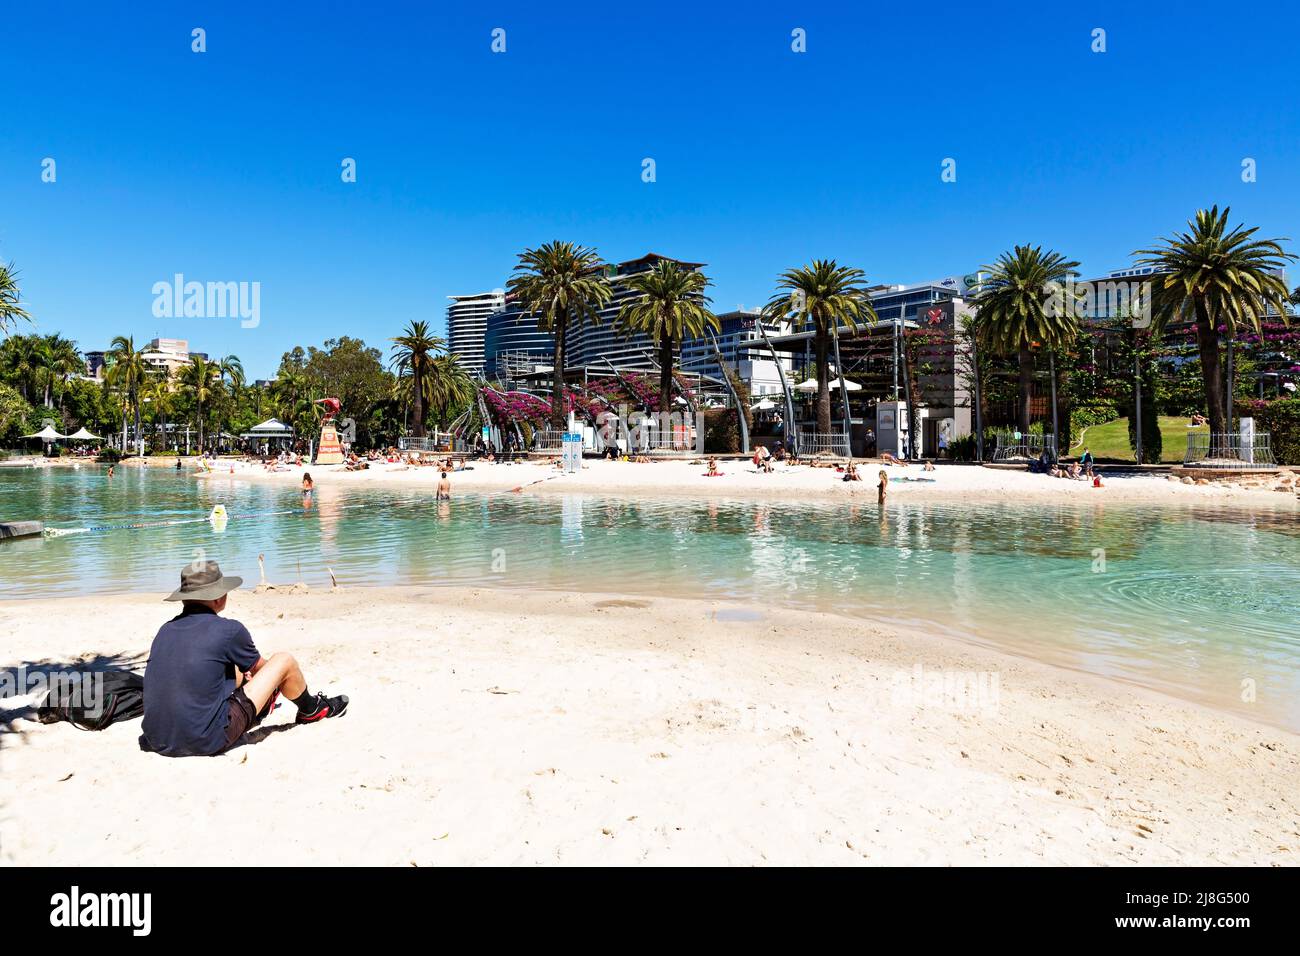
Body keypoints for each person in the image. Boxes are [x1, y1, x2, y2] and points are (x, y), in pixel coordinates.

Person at [140, 561, 348, 757]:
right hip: (205, 740)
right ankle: (311, 709)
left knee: (224, 670)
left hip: (156, 738)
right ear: (218, 598)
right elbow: (268, 672)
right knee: (284, 662)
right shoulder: (229, 630)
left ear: (184, 597)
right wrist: (259, 678)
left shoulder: (165, 630)